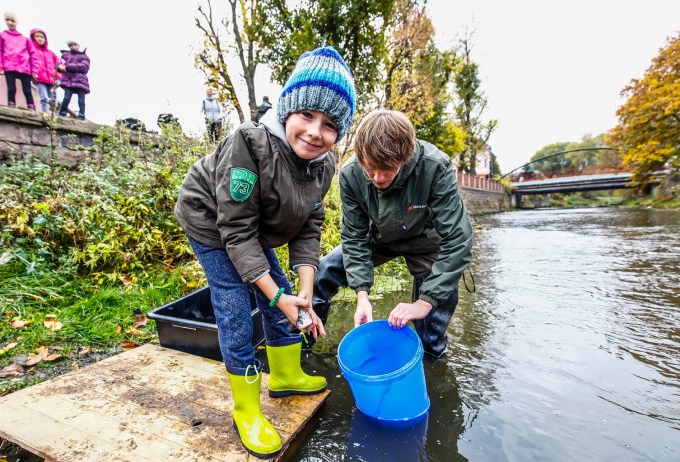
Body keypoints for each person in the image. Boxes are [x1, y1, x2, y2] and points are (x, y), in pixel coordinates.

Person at [175, 46, 355, 458]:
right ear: (288, 109)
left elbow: (310, 225)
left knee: (283, 295)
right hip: (212, 223)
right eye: (307, 115)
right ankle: (247, 411)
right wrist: (276, 294)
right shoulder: (249, 144)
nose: (314, 132)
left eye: (330, 125)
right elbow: (235, 231)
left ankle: (287, 374)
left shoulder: (324, 165)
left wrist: (303, 291)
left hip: (249, 230)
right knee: (236, 305)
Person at [312, 109, 473, 358]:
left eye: (386, 169)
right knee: (324, 270)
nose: (377, 178)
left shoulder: (435, 166)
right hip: (379, 238)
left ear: (405, 157)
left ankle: (431, 360)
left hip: (426, 242)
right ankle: (304, 339)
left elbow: (457, 239)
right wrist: (362, 295)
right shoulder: (350, 174)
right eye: (370, 169)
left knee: (432, 324)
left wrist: (424, 302)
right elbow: (354, 237)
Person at [0, 12, 36, 109]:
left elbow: (33, 54)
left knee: (27, 90)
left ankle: (31, 107)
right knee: (11, 89)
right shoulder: (1, 35)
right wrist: (0, 66)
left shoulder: (25, 39)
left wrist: (34, 70)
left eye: (12, 20)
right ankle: (11, 105)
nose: (10, 22)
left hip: (25, 67)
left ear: (17, 22)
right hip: (9, 66)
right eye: (7, 20)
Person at [57, 40, 90, 120]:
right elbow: (59, 64)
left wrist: (67, 67)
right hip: (69, 80)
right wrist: (59, 67)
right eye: (71, 45)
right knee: (66, 98)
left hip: (80, 81)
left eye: (75, 44)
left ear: (79, 45)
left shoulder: (84, 56)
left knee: (81, 100)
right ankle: (62, 112)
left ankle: (81, 115)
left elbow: (84, 67)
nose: (73, 46)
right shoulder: (65, 55)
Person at [29, 28, 59, 114]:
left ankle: (52, 115)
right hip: (40, 79)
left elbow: (58, 64)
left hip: (51, 80)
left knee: (53, 100)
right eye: (37, 36)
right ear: (33, 38)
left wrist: (57, 76)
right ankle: (45, 113)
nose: (39, 38)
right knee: (44, 98)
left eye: (42, 37)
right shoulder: (32, 51)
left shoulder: (50, 53)